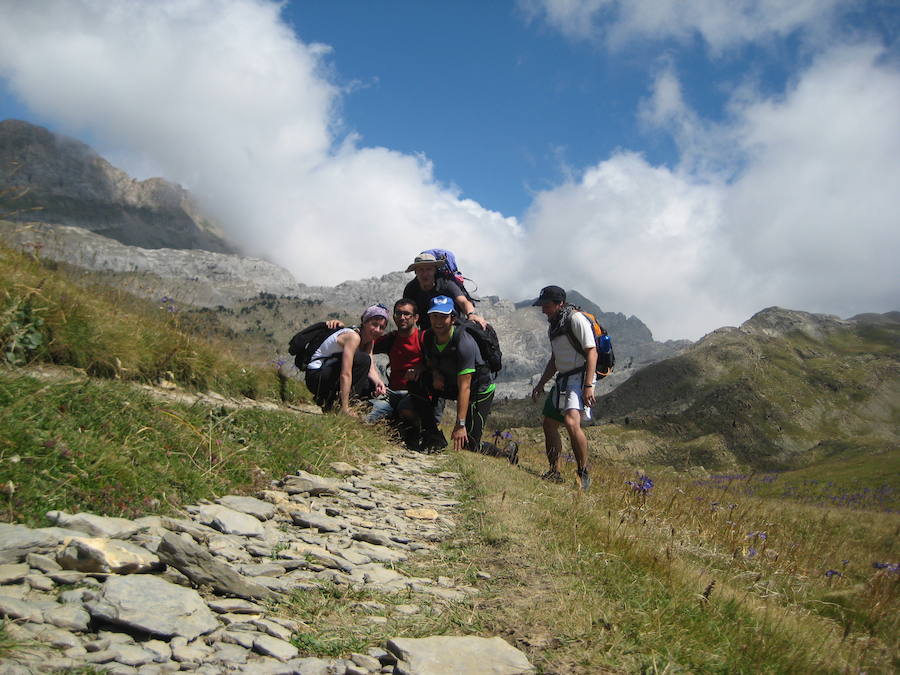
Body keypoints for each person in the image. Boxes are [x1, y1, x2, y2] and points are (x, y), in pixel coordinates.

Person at [409, 295, 496, 453]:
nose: (438, 321)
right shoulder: (428, 337)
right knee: (415, 380)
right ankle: (432, 434)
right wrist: (434, 374)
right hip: (452, 384)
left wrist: (460, 425)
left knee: (469, 445)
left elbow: (465, 386)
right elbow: (430, 360)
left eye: (443, 317)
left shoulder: (464, 342)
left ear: (453, 318)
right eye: (434, 316)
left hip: (478, 389)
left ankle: (504, 454)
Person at [530, 286, 596, 491]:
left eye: (547, 306)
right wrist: (541, 383)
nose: (543, 310)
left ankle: (583, 473)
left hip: (580, 376)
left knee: (570, 421)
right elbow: (555, 359)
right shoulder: (555, 325)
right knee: (549, 423)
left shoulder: (576, 320)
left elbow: (592, 352)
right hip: (564, 379)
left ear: (560, 304)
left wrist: (588, 385)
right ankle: (554, 471)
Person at [305, 304, 388, 415]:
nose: (377, 330)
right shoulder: (353, 337)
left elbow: (370, 367)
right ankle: (340, 407)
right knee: (362, 360)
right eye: (374, 324)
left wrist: (378, 382)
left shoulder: (369, 340)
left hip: (329, 372)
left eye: (381, 327)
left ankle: (329, 403)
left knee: (370, 384)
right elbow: (346, 373)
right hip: (316, 377)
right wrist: (345, 407)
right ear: (364, 322)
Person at [403, 252, 488, 331]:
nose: (425, 274)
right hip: (427, 331)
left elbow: (463, 301)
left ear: (434, 270)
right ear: (415, 272)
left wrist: (471, 314)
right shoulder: (411, 289)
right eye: (421, 270)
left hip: (453, 329)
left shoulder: (446, 284)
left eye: (428, 269)